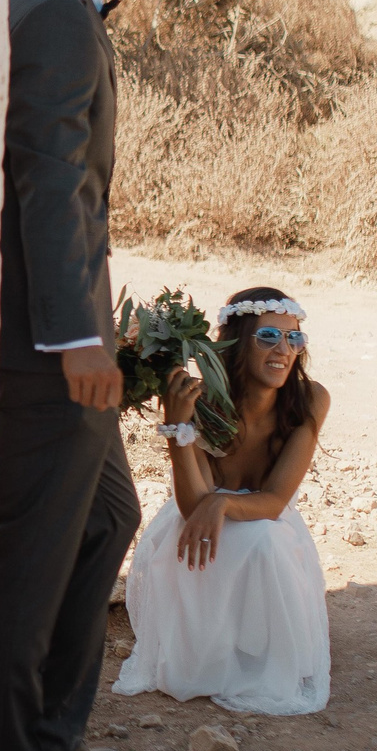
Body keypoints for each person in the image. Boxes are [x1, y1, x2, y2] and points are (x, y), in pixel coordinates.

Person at [0, 0, 161, 751]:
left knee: (108, 519)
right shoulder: (52, 10)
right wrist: (77, 338)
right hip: (44, 348)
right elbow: (48, 183)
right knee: (29, 565)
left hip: (67, 332)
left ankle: (50, 735)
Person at [113, 287, 332, 715]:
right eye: (268, 336)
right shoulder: (203, 402)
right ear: (234, 343)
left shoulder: (309, 399)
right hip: (200, 515)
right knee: (197, 538)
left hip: (267, 521)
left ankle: (261, 657)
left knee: (265, 542)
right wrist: (177, 426)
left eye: (294, 338)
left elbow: (274, 501)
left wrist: (223, 504)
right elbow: (195, 505)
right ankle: (209, 657)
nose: (283, 350)